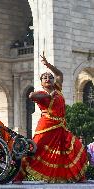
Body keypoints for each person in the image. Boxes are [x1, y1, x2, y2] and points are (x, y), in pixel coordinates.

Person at [13, 52, 88, 183]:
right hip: (46, 127)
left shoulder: (58, 89)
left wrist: (48, 65)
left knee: (74, 147)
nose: (48, 79)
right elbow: (31, 96)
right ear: (41, 83)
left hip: (61, 127)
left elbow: (60, 75)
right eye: (45, 78)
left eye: (50, 77)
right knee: (35, 150)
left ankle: (78, 176)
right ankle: (19, 176)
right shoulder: (41, 93)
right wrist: (49, 96)